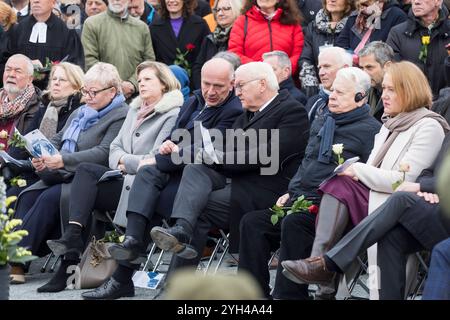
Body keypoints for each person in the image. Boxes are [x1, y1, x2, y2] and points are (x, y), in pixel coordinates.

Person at [281, 61, 450, 300]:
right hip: (384, 202)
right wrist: (426, 185)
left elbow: (404, 180)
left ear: (410, 90)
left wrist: (359, 170)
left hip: (401, 202)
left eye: (392, 89)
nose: (384, 95)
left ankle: (324, 266)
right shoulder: (388, 124)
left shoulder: (429, 126)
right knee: (333, 191)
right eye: (385, 88)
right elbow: (428, 174)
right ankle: (320, 267)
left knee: (347, 185)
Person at [80, 58, 242, 300]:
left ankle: (144, 283)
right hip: (176, 170)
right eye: (206, 83)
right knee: (146, 174)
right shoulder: (195, 100)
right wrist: (169, 146)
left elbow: (204, 150)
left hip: (205, 176)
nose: (210, 91)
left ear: (232, 83)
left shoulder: (234, 110)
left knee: (154, 199)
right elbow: (177, 137)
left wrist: (167, 154)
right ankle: (132, 242)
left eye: (218, 86)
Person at [150, 62, 310, 281]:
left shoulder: (291, 110)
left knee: (199, 207)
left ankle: (176, 283)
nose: (237, 92)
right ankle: (181, 232)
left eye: (241, 85)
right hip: (237, 183)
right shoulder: (245, 116)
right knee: (195, 169)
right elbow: (224, 150)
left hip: (268, 191)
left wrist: (218, 157)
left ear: (262, 85)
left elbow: (267, 154)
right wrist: (206, 155)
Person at [40, 61, 184, 293]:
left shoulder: (172, 113)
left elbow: (156, 157)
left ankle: (70, 261)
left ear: (164, 85)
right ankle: (72, 241)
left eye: (148, 79)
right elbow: (114, 149)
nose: (141, 84)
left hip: (142, 186)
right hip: (120, 177)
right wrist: (124, 160)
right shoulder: (135, 108)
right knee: (85, 173)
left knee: (76, 190)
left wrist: (124, 161)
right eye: (140, 80)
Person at [238, 66, 381, 299]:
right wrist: (290, 190)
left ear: (360, 97)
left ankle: (289, 296)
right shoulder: (323, 121)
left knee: (294, 223)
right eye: (332, 91)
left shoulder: (371, 131)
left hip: (333, 210)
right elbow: (307, 163)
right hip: (300, 198)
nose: (331, 96)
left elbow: (367, 178)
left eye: (340, 93)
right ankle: (252, 295)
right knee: (252, 222)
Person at [280, 133, 450, 300]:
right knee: (391, 236)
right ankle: (326, 266)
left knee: (401, 198)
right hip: (437, 207)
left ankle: (328, 265)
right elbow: (430, 171)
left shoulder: (430, 126)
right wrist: (427, 188)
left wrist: (423, 185)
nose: (384, 103)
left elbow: (426, 180)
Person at [8, 62, 128, 284]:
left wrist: (62, 159)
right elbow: (59, 137)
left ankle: (18, 260)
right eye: (86, 91)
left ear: (112, 92)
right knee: (28, 195)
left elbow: (103, 153)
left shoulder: (121, 115)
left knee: (48, 198)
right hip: (63, 171)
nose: (88, 96)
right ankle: (17, 259)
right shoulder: (82, 111)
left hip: (93, 178)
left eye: (94, 92)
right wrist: (42, 152)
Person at [4, 62, 84, 197]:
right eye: (54, 79)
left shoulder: (78, 111)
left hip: (59, 175)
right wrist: (9, 164)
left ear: (76, 85)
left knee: (20, 196)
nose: (56, 83)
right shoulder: (45, 106)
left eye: (62, 80)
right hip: (34, 169)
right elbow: (25, 140)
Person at [82, 0, 155, 100]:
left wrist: (132, 84)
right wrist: (116, 85)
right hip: (104, 98)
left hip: (137, 98)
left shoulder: (141, 28)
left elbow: (149, 62)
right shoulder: (92, 24)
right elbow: (90, 60)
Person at [387, 0, 450, 98]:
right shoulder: (397, 33)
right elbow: (394, 75)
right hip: (411, 104)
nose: (416, 2)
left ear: (438, 1)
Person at [2, 0, 85, 71]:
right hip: (22, 86)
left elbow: (75, 65)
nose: (36, 1)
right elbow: (5, 59)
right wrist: (25, 66)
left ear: (53, 2)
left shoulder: (67, 32)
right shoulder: (17, 30)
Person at [228, 0, 304, 74]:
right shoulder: (242, 21)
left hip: (285, 80)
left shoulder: (292, 23)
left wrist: (282, 71)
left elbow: (298, 54)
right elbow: (235, 53)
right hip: (253, 80)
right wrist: (260, 69)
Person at [298, 0, 354, 98]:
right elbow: (306, 59)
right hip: (319, 91)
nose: (332, 0)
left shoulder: (356, 25)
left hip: (347, 91)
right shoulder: (313, 26)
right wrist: (312, 88)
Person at [149, 0, 210, 78]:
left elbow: (206, 55)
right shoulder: (154, 27)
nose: (171, 1)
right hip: (166, 82)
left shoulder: (200, 24)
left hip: (194, 82)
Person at [191, 0, 242, 89]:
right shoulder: (209, 38)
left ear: (236, 10)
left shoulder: (242, 35)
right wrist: (203, 89)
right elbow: (198, 67)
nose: (220, 13)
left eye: (226, 9)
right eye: (217, 10)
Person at [0, 54, 43, 150]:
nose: (11, 75)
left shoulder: (38, 107)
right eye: (8, 70)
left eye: (18, 71)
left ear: (30, 79)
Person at [336, 0, 406, 53]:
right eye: (361, 5)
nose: (362, 9)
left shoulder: (397, 16)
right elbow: (340, 45)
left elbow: (393, 52)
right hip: (352, 67)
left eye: (366, 4)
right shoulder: (356, 15)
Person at [305, 46, 352, 118]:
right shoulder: (313, 102)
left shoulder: (358, 101)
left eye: (327, 66)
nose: (321, 73)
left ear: (345, 68)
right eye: (320, 68)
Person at [358, 41, 394, 122]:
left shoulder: (401, 94)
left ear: (388, 66)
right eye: (361, 68)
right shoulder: (366, 89)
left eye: (369, 67)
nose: (364, 73)